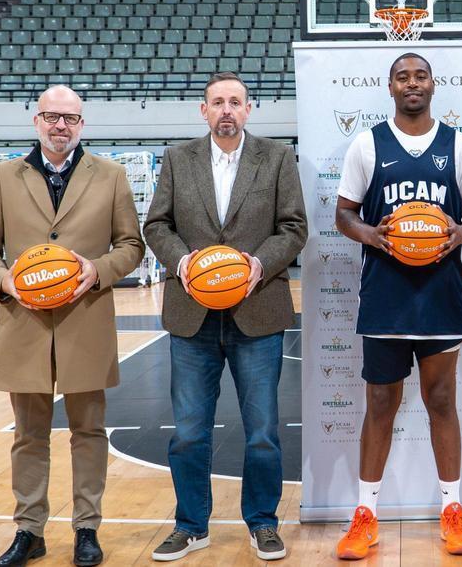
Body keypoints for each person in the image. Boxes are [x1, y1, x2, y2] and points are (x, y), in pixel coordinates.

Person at [0, 85, 145, 567]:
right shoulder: (5, 176)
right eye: (51, 116)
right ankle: (29, 530)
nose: (60, 125)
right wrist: (5, 280)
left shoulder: (110, 176)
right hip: (23, 320)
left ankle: (87, 527)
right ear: (37, 122)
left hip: (84, 318)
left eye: (69, 118)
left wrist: (98, 271)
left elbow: (131, 245)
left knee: (89, 431)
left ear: (82, 124)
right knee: (29, 434)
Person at [143, 72, 307, 562]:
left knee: (262, 432)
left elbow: (294, 227)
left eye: (235, 102)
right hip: (192, 314)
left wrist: (260, 263)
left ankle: (262, 523)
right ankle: (192, 526)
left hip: (257, 311)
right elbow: (156, 224)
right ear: (204, 110)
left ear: (249, 110)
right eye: (218, 102)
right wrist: (182, 261)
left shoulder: (276, 158)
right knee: (189, 431)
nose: (227, 110)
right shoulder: (178, 158)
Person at [332, 53, 462, 559]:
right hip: (385, 296)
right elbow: (343, 215)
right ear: (390, 87)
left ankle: (453, 510)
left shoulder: (456, 144)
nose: (412, 84)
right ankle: (366, 515)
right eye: (403, 77)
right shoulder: (367, 143)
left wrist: (459, 234)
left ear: (433, 85)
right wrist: (373, 236)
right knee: (380, 406)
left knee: (441, 400)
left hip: (440, 294)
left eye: (420, 76)